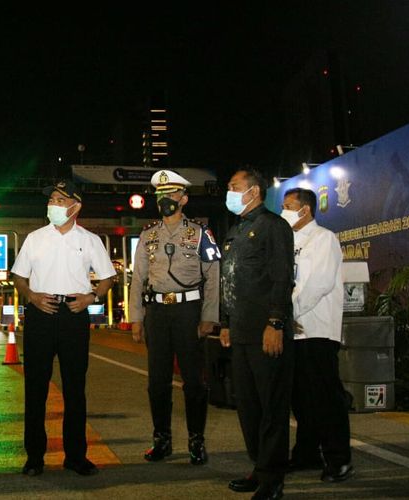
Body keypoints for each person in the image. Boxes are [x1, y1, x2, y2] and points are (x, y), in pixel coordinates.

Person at [12, 180, 116, 477]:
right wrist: (31, 295)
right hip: (40, 315)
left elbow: (107, 277)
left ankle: (75, 456)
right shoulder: (35, 238)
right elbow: (19, 276)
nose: (53, 205)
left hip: (73, 314)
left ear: (75, 206)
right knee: (35, 389)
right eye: (52, 200)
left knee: (75, 390)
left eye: (59, 200)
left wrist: (91, 298)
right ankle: (34, 457)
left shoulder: (90, 240)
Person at [129, 170, 220, 465]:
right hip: (157, 312)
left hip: (187, 312)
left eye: (170, 195)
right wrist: (137, 318)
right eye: (160, 196)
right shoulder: (148, 235)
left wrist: (209, 316)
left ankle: (196, 440)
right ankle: (162, 440)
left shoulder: (200, 234)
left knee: (193, 381)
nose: (164, 200)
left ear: (183, 199)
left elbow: (213, 276)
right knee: (157, 381)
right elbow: (138, 278)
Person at [219, 169, 294, 500]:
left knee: (271, 406)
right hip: (240, 332)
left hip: (266, 330)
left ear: (253, 192)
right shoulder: (237, 230)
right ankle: (259, 466)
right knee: (247, 405)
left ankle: (273, 478)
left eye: (234, 187)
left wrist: (275, 322)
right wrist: (225, 324)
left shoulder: (274, 226)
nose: (229, 191)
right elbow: (229, 281)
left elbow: (281, 277)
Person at [281, 188, 354, 482]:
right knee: (300, 398)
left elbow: (318, 284)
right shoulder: (287, 242)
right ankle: (307, 453)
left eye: (289, 206)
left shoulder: (324, 239)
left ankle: (339, 459)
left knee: (325, 397)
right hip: (292, 331)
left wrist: (290, 313)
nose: (283, 211)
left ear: (306, 209)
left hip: (317, 330)